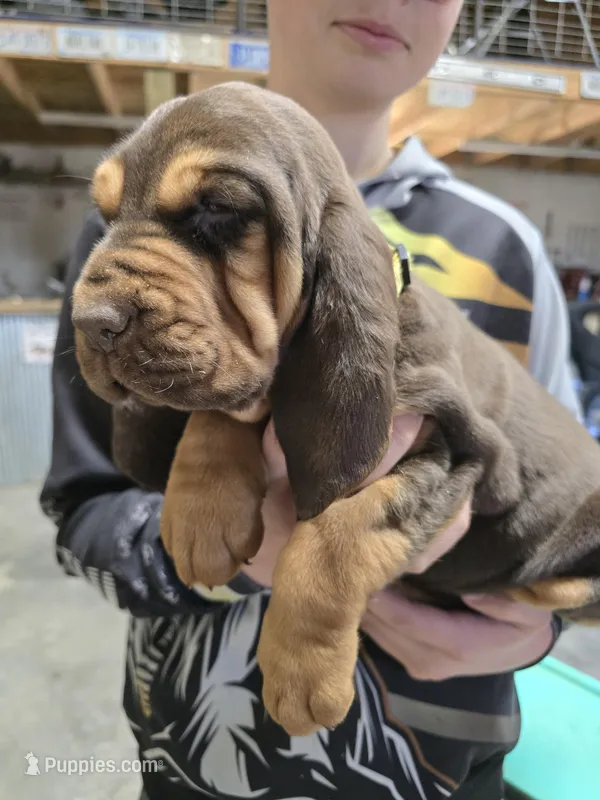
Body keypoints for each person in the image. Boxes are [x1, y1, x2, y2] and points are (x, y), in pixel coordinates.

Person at [40, 1, 582, 798]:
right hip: (190, 761)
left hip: (438, 766)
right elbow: (81, 513)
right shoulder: (121, 252)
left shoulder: (509, 252)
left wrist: (536, 632)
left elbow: (553, 498)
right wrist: (231, 551)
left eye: (219, 212)